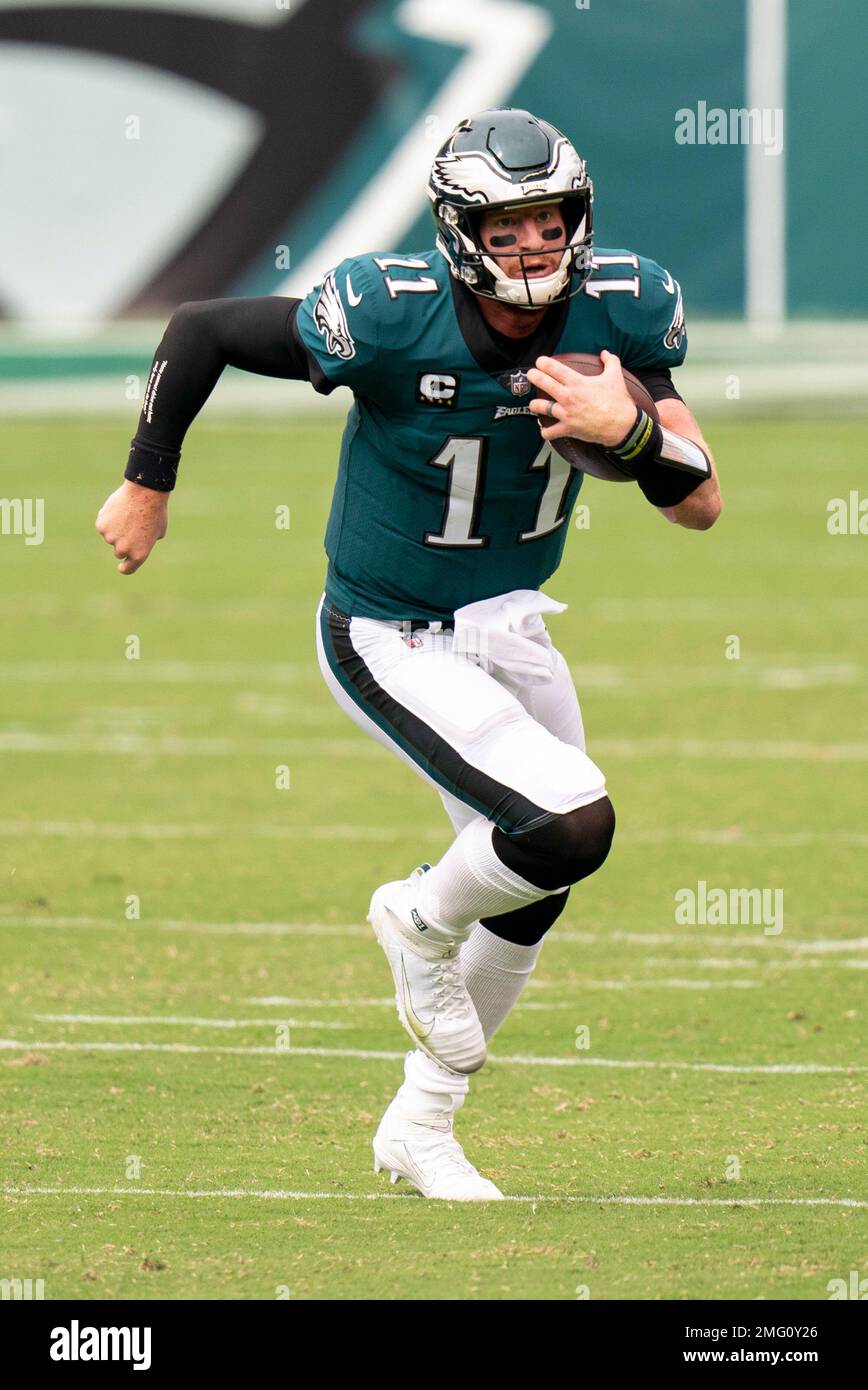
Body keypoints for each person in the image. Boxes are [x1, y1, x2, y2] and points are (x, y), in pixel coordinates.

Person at [96, 108, 722, 1202]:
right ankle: (421, 914)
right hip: (386, 630)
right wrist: (149, 480)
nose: (533, 245)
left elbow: (697, 497)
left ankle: (419, 1128)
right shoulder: (386, 315)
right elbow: (200, 327)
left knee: (544, 875)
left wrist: (623, 431)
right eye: (508, 224)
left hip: (508, 620)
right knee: (569, 819)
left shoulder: (624, 304)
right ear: (458, 229)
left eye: (549, 221)